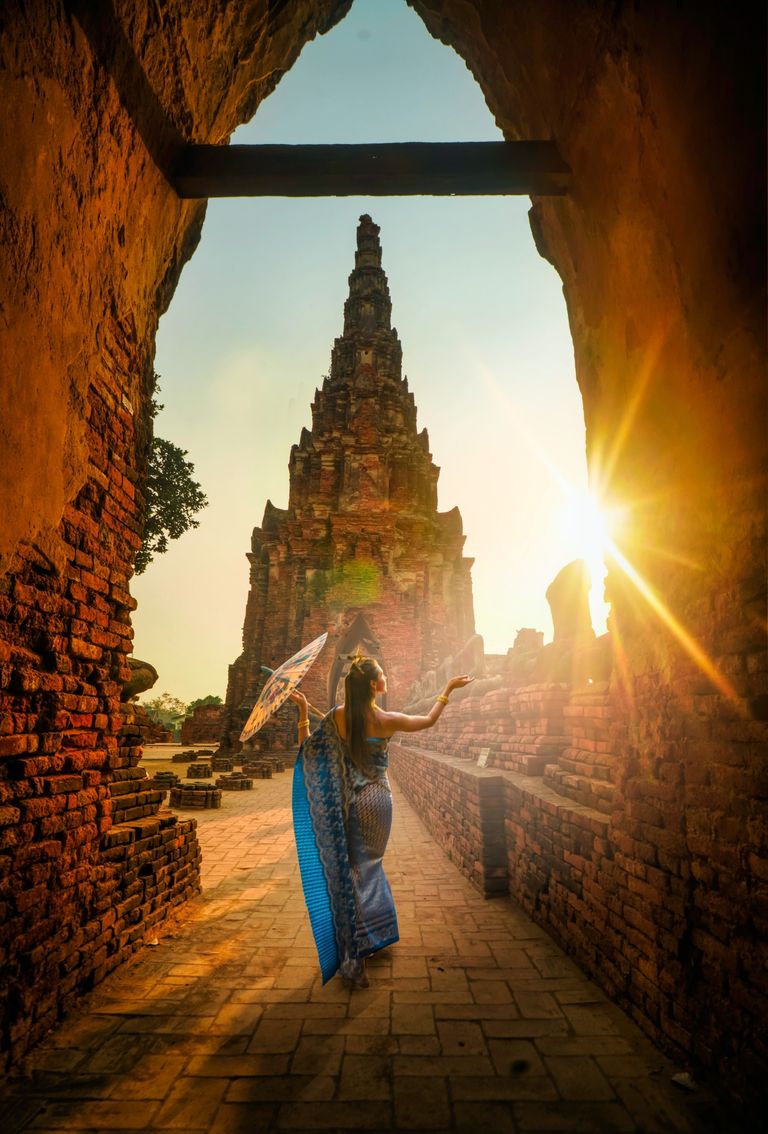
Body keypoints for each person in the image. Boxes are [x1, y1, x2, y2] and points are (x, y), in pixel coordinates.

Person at [290, 656, 473, 988]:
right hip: (377, 801)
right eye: (383, 675)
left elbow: (308, 752)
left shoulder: (335, 718)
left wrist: (303, 715)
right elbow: (429, 720)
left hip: (346, 803)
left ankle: (357, 946)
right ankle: (369, 938)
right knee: (369, 866)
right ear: (374, 684)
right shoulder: (386, 719)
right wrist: (447, 689)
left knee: (348, 871)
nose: (386, 677)